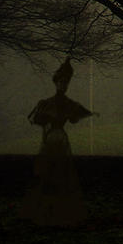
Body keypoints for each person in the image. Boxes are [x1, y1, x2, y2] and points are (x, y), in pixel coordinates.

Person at [19, 57, 97, 227]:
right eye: (61, 82)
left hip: (60, 140)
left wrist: (91, 114)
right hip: (49, 141)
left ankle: (62, 213)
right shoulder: (46, 103)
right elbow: (34, 118)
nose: (63, 85)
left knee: (62, 174)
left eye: (66, 82)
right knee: (45, 173)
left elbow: (78, 114)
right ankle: (41, 213)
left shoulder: (69, 104)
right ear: (56, 83)